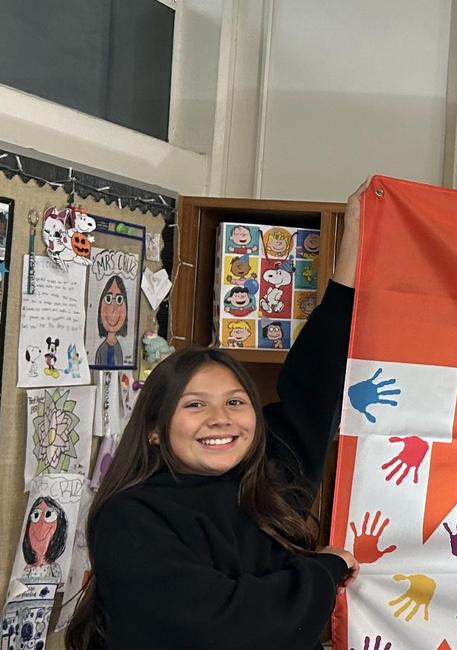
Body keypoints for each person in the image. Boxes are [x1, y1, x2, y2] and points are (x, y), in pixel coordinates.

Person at [66, 186, 367, 649]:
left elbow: (319, 380)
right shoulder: (130, 518)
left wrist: (354, 240)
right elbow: (226, 628)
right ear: (152, 429)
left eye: (234, 402)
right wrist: (322, 571)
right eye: (194, 404)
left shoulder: (268, 480)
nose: (219, 418)